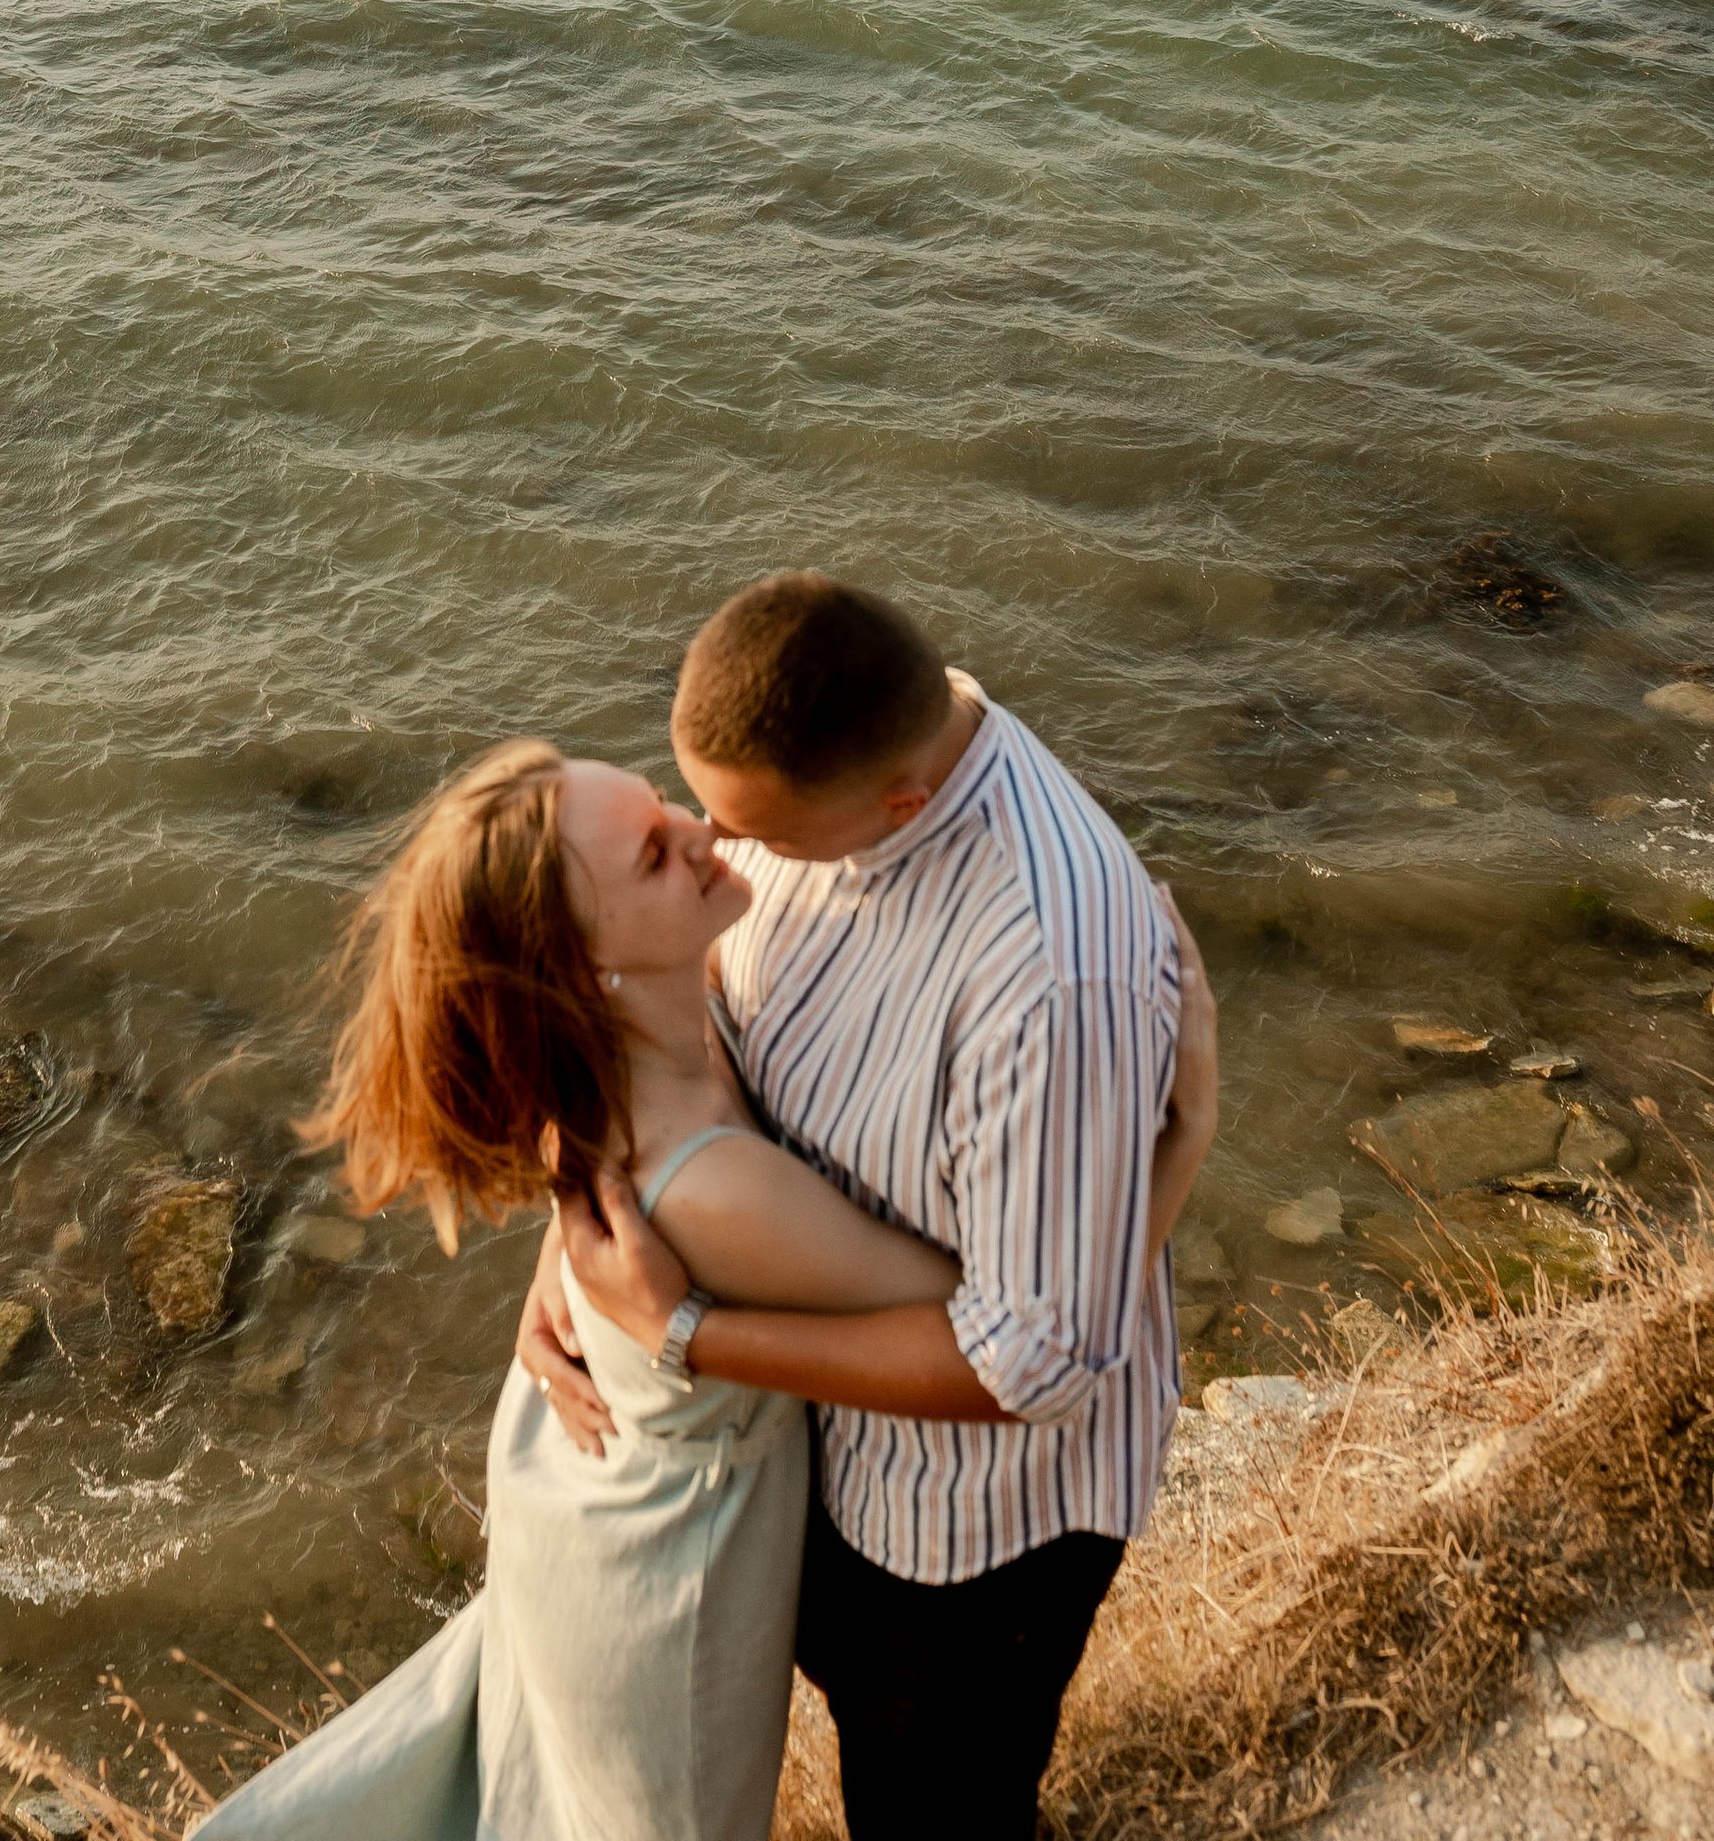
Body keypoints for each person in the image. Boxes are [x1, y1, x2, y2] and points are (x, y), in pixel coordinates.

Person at [199, 707, 1215, 1841]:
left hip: (581, 1480)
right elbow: (1005, 1329)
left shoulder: (634, 1045)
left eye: (658, 803)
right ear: (585, 964)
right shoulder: (721, 1191)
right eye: (649, 852)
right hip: (653, 1574)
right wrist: (1178, 1138)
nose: (701, 831)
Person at [548, 576, 1190, 1841]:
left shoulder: (1048, 979)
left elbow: (1035, 1355)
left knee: (936, 1814)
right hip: (814, 1460)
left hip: (964, 1539)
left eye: (754, 835)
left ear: (899, 803)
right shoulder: (804, 788)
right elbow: (681, 1022)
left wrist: (681, 1333)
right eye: (694, 815)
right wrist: (572, 1256)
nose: (716, 853)